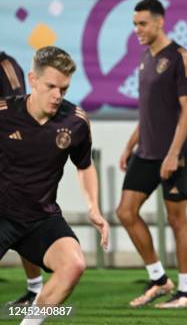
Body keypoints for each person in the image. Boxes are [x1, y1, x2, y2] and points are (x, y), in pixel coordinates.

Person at [0, 46, 109, 324]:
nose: (57, 95)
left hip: (39, 217)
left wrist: (93, 208)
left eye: (64, 88)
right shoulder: (3, 113)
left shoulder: (76, 122)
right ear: (33, 80)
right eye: (51, 86)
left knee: (73, 265)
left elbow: (84, 167)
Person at [115, 0, 187, 309]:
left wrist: (173, 154)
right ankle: (160, 279)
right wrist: (129, 145)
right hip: (146, 151)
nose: (137, 29)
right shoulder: (144, 58)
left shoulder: (179, 56)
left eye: (142, 24)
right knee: (125, 212)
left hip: (174, 153)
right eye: (135, 24)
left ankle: (186, 292)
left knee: (177, 221)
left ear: (160, 22)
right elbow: (148, 111)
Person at [1, 50, 45, 307]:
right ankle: (35, 290)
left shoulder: (6, 66)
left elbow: (17, 110)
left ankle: (36, 291)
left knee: (22, 222)